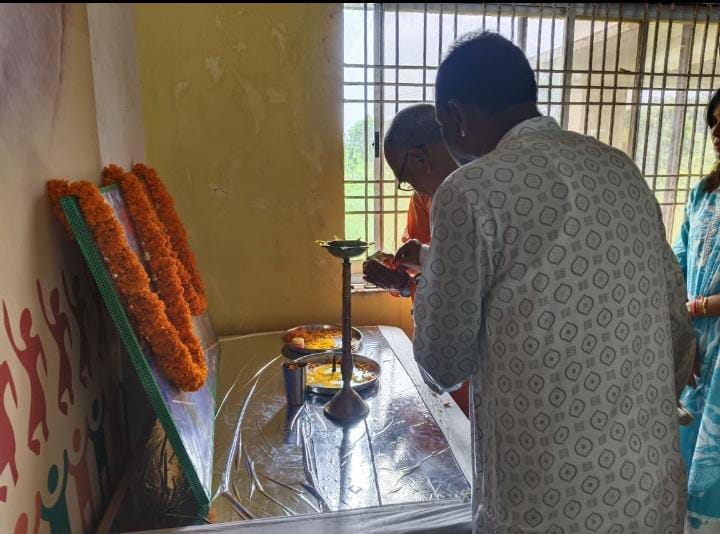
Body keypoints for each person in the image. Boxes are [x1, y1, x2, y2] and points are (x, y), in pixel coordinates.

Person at [409, 31, 695, 533]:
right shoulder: (621, 170)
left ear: (457, 114)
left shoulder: (471, 191)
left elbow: (442, 360)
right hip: (647, 491)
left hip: (546, 503)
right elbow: (676, 326)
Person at [361, 104, 471, 415]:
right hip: (444, 347)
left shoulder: (486, 193)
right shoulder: (424, 198)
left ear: (419, 159)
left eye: (406, 178)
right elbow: (421, 273)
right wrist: (401, 282)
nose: (413, 188)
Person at [673, 87, 720, 527]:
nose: (717, 133)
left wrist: (698, 306)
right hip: (697, 341)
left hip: (709, 329)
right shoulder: (703, 193)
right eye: (713, 124)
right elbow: (680, 256)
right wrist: (678, 319)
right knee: (687, 439)